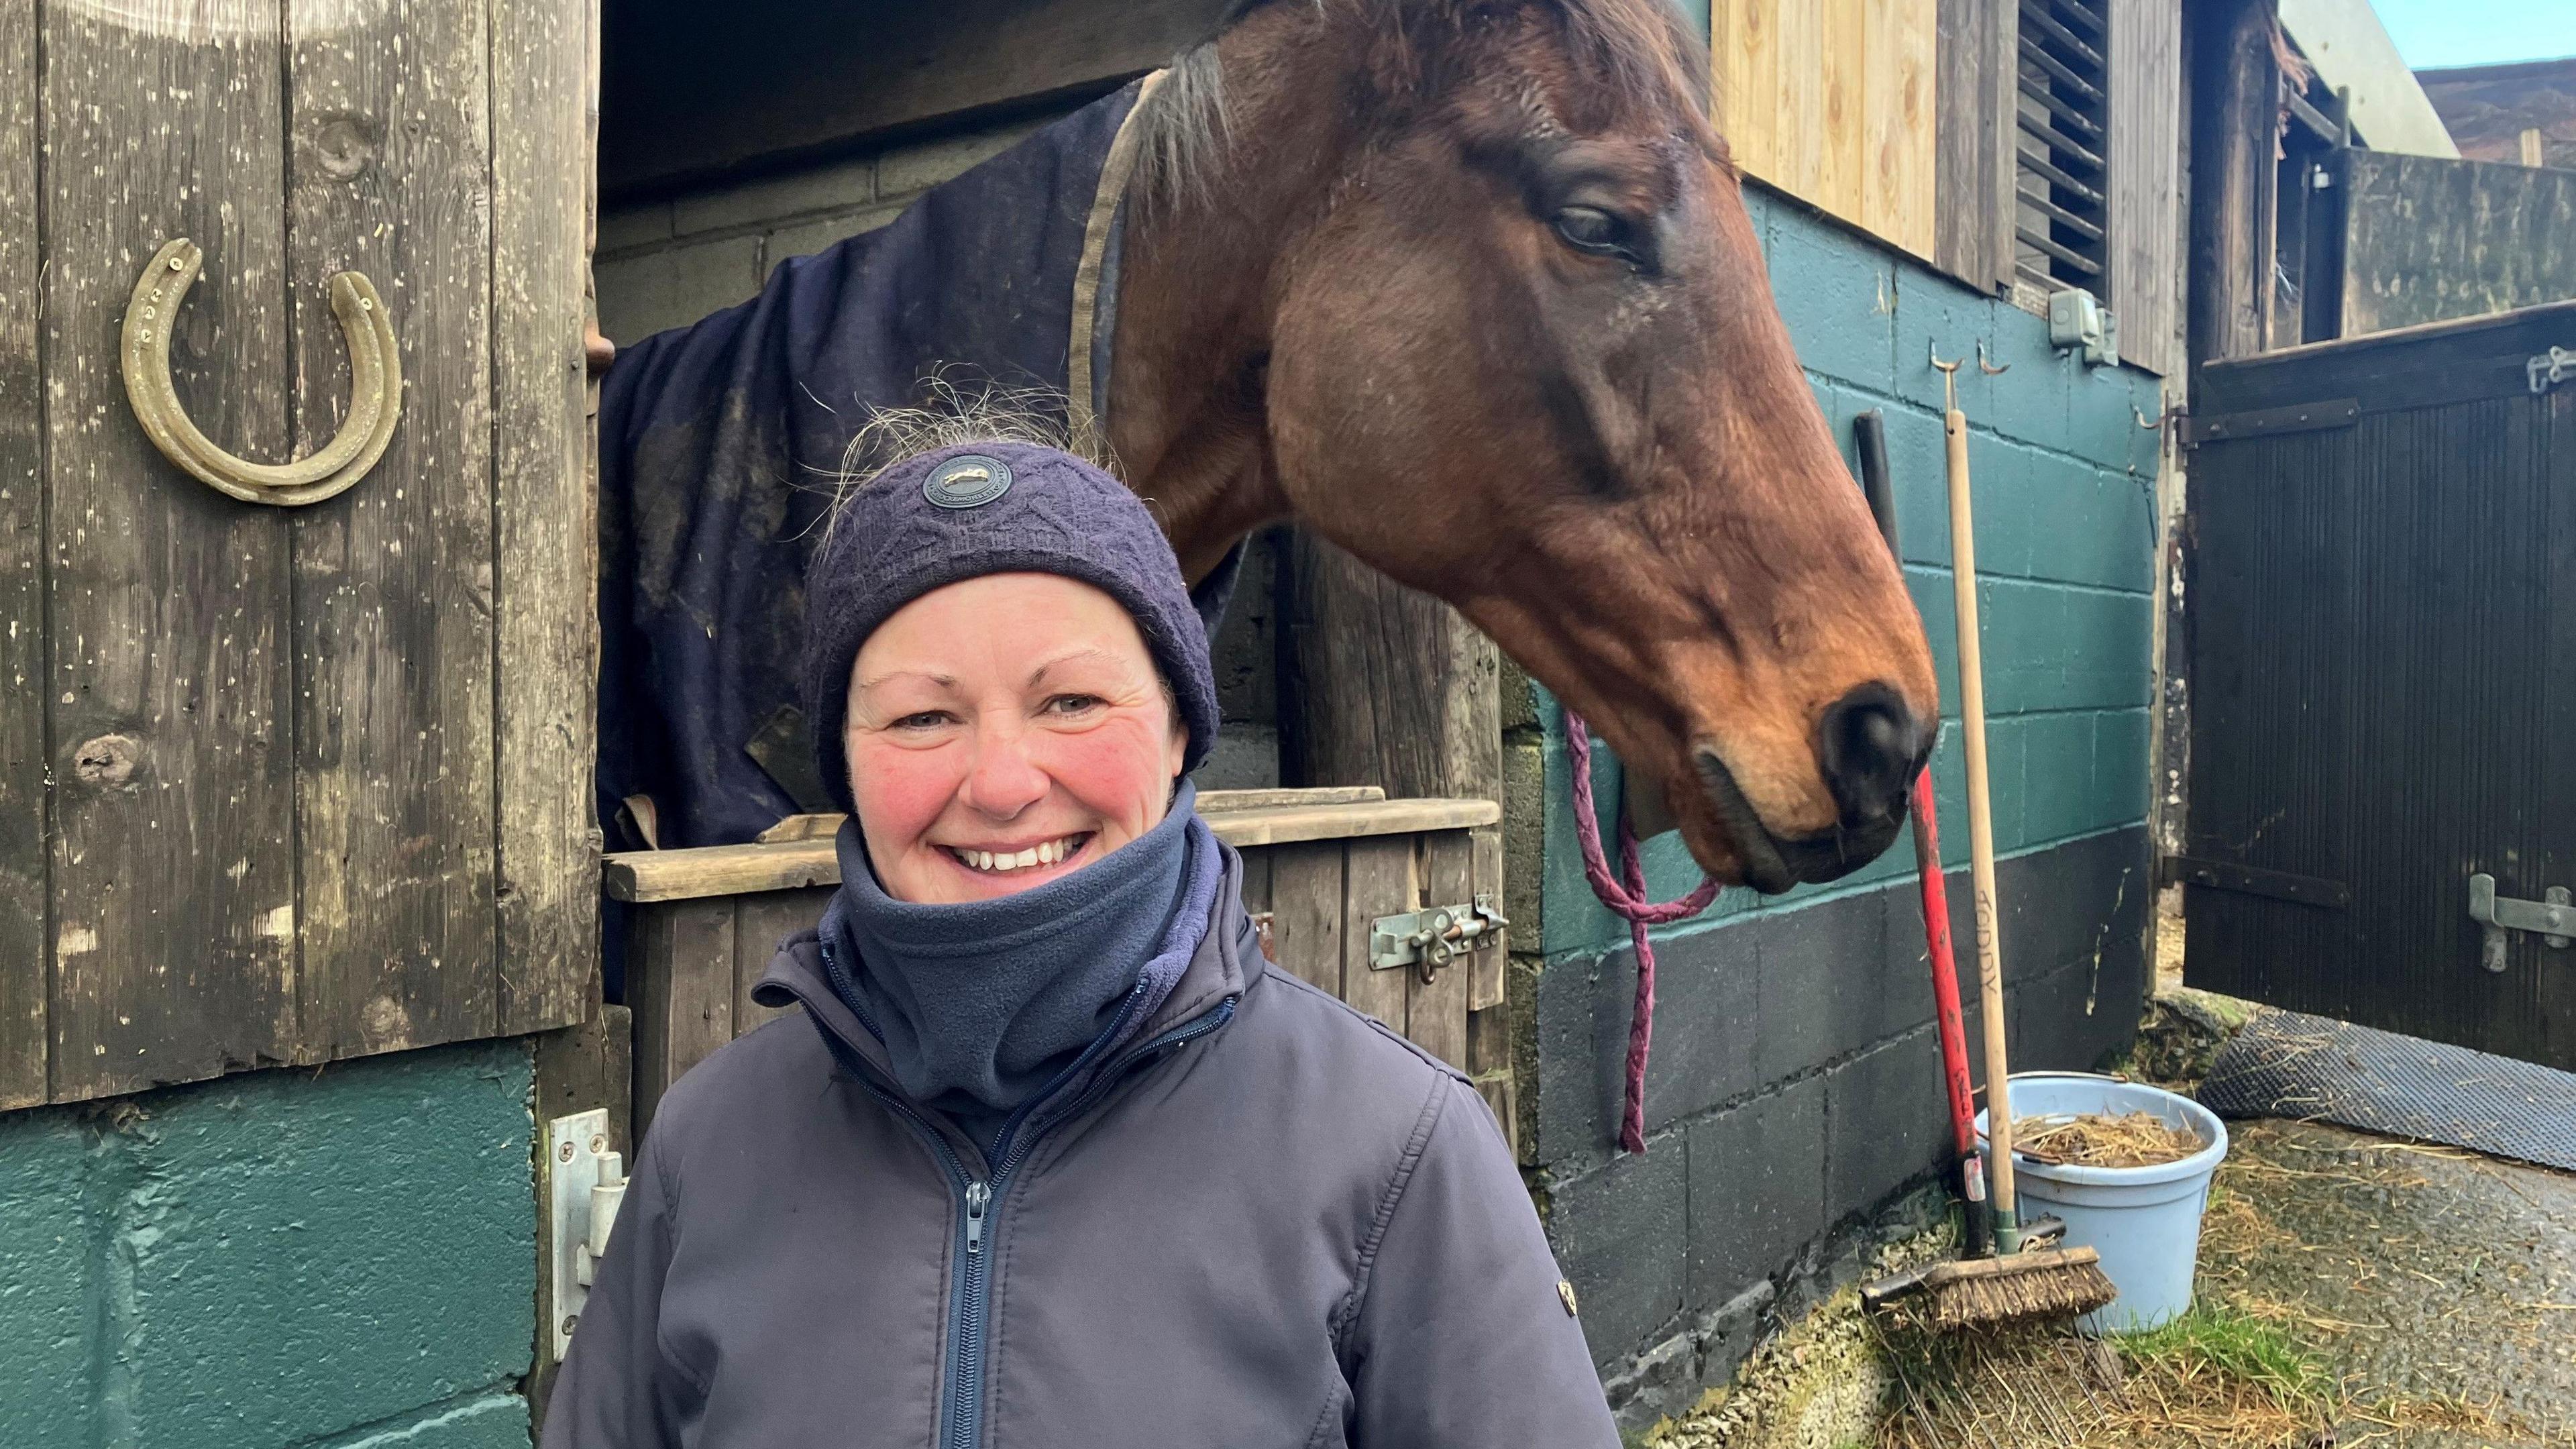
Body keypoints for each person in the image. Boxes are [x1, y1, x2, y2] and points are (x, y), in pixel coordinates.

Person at [544, 427, 1620, 1448]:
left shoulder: (1402, 1151)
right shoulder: (707, 1145)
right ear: (847, 764)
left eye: (1071, 701)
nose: (1004, 784)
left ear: (1180, 727)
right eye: (922, 716)